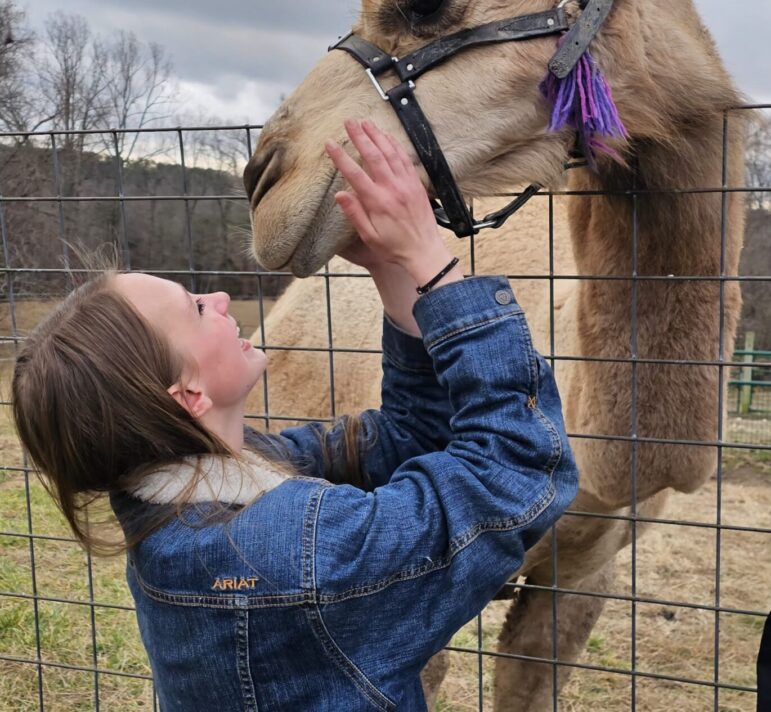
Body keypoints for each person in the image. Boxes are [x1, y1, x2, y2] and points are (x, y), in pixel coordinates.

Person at [12, 118, 578, 711]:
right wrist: (432, 264)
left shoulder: (189, 497)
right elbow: (515, 473)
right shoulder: (290, 554)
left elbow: (410, 436)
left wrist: (390, 268)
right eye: (196, 307)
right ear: (188, 394)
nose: (221, 298)